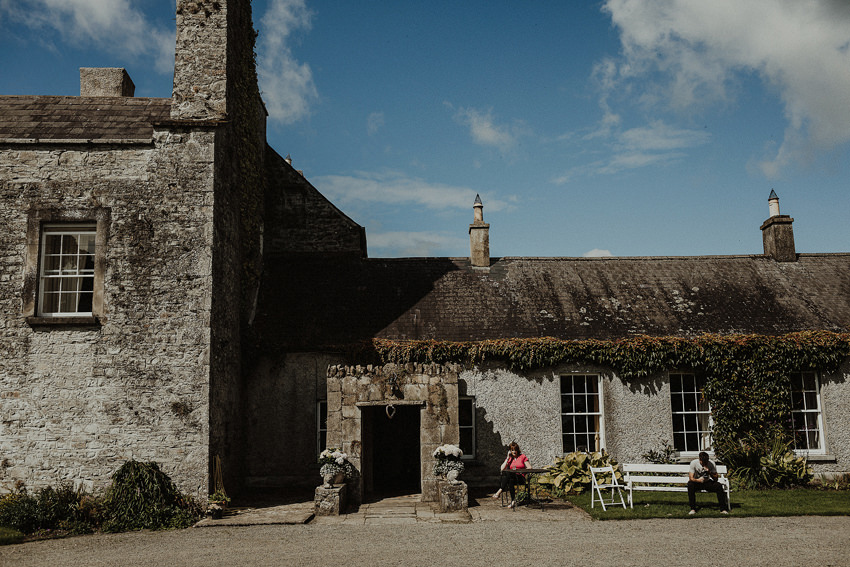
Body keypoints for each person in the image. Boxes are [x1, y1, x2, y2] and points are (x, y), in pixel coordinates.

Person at [491, 442, 531, 508]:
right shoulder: (510, 458)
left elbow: (529, 467)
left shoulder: (522, 456)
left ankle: (499, 491)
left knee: (509, 475)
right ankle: (513, 501)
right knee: (510, 479)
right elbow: (502, 468)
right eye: (512, 450)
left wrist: (522, 472)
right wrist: (507, 458)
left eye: (515, 450)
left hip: (521, 478)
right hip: (513, 478)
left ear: (517, 450)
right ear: (510, 451)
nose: (514, 451)